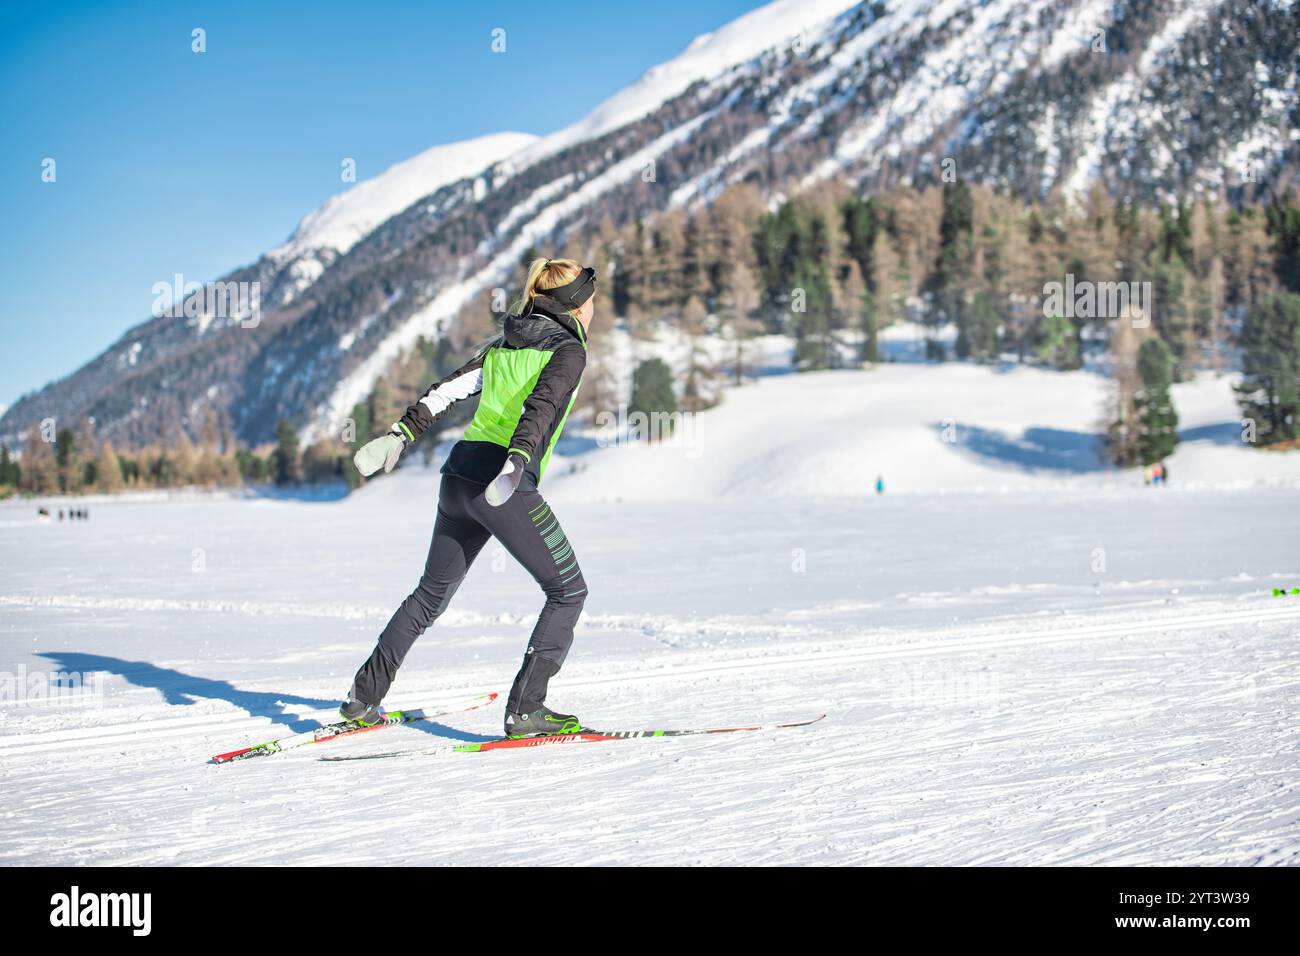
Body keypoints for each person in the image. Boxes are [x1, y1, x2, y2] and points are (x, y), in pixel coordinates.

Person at [343, 258, 595, 739]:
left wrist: (400, 433)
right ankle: (526, 710)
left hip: (459, 475)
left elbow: (447, 390)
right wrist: (518, 459)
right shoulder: (568, 352)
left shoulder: (505, 345)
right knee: (568, 590)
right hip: (502, 479)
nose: (594, 310)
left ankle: (362, 698)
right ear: (576, 306)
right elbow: (541, 407)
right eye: (591, 301)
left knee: (429, 595)